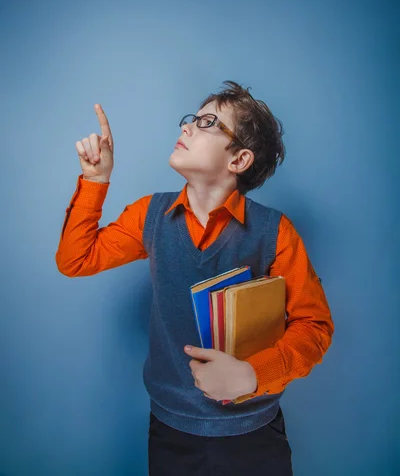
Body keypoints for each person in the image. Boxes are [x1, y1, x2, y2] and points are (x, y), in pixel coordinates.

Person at [55, 80, 334, 475]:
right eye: (191, 119)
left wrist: (255, 375)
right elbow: (75, 260)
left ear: (238, 161)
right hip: (171, 431)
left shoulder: (276, 231)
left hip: (253, 433)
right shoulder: (149, 215)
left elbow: (314, 326)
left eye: (207, 123)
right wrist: (96, 181)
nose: (186, 127)